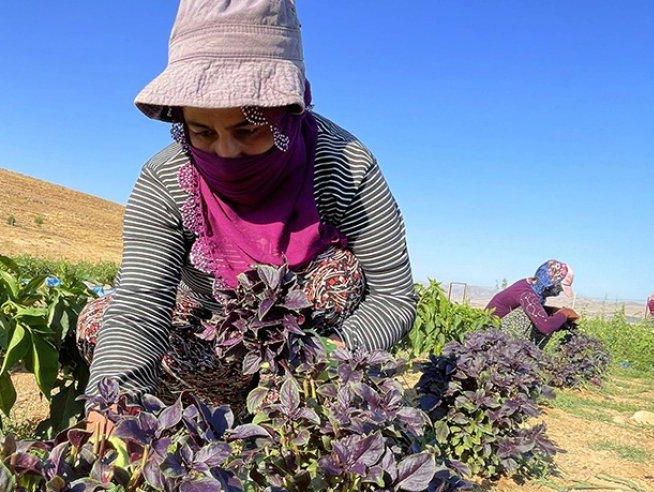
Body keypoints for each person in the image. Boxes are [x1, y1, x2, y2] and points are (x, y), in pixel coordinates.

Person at [80, 0, 416, 437]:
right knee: (100, 321)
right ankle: (211, 416)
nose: (225, 152)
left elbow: (394, 297)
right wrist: (118, 398)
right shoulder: (167, 179)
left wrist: (327, 357)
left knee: (342, 274)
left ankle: (297, 415)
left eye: (249, 129)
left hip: (310, 354)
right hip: (213, 344)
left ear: (288, 113)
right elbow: (141, 298)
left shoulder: (344, 166)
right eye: (202, 131)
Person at [486, 259, 578, 346]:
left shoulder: (530, 286)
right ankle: (514, 349)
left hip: (495, 330)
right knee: (533, 317)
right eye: (560, 287)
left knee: (543, 315)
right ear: (551, 283)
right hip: (491, 333)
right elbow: (546, 326)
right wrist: (564, 314)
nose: (560, 291)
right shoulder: (527, 294)